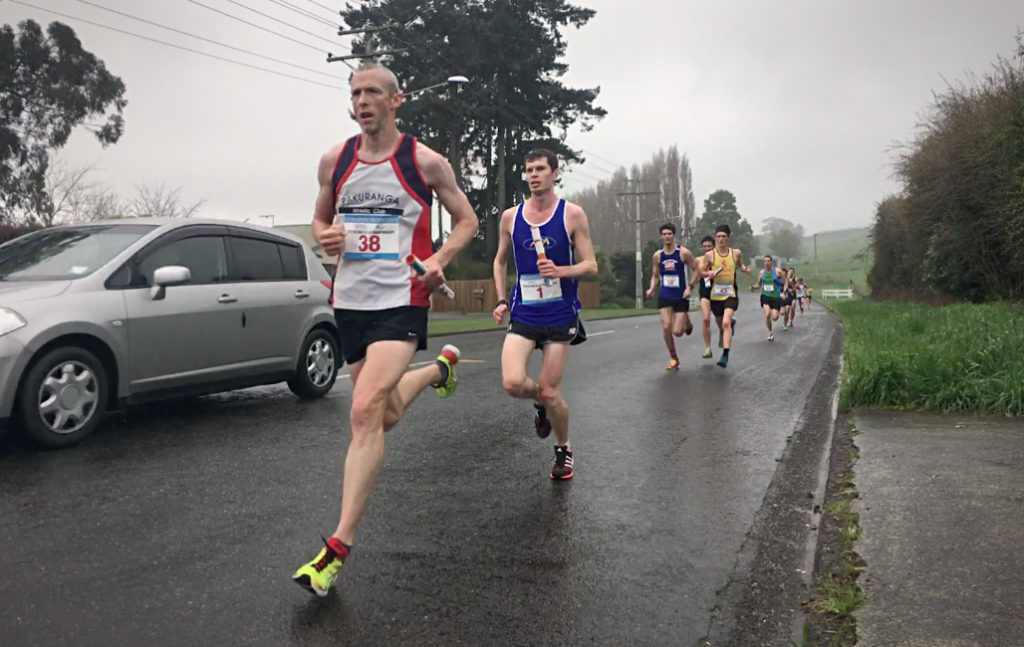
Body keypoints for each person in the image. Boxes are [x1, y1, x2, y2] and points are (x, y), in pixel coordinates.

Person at [292, 62, 479, 597]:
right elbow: (320, 221)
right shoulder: (336, 160)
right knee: (387, 412)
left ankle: (336, 548)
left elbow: (467, 220)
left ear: (397, 101)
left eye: (373, 92)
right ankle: (440, 368)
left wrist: (440, 258)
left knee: (363, 408)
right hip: (350, 301)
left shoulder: (424, 161)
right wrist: (327, 237)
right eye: (355, 93)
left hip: (402, 299)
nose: (363, 100)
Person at [491, 148, 598, 480]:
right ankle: (542, 404)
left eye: (540, 169)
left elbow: (591, 266)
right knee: (512, 382)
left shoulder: (572, 214)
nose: (533, 175)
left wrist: (561, 270)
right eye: (529, 169)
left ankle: (563, 449)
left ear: (555, 173)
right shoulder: (511, 217)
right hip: (524, 311)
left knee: (553, 391)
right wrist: (500, 299)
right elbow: (500, 260)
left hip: (559, 314)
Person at [645, 223, 698, 369]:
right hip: (665, 295)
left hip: (680, 296)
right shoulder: (657, 256)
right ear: (661, 236)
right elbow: (655, 275)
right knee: (667, 326)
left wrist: (690, 287)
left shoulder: (683, 253)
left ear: (674, 235)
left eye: (669, 234)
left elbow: (697, 269)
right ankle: (673, 357)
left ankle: (687, 321)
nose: (667, 236)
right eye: (664, 234)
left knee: (678, 332)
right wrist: (651, 288)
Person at [698, 224, 751, 368]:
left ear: (728, 238)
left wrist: (745, 269)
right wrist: (707, 274)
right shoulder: (710, 255)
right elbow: (700, 272)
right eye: (718, 236)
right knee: (722, 323)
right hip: (715, 296)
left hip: (731, 293)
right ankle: (729, 327)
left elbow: (740, 265)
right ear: (716, 238)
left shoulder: (735, 253)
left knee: (726, 322)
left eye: (724, 237)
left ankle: (725, 355)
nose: (721, 239)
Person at [687, 235, 722, 359]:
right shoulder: (698, 260)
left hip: (718, 291)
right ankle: (708, 348)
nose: (707, 248)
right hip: (705, 291)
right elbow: (696, 276)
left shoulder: (719, 259)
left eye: (709, 246)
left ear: (714, 246)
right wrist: (690, 286)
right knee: (706, 319)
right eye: (705, 246)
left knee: (719, 318)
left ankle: (723, 332)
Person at [754, 254, 784, 341]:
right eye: (765, 261)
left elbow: (785, 282)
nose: (767, 263)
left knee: (774, 318)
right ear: (764, 263)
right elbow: (759, 284)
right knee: (767, 314)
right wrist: (754, 287)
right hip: (765, 296)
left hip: (775, 297)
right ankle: (770, 333)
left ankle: (776, 313)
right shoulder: (761, 272)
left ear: (771, 262)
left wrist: (784, 292)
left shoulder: (778, 271)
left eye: (768, 261)